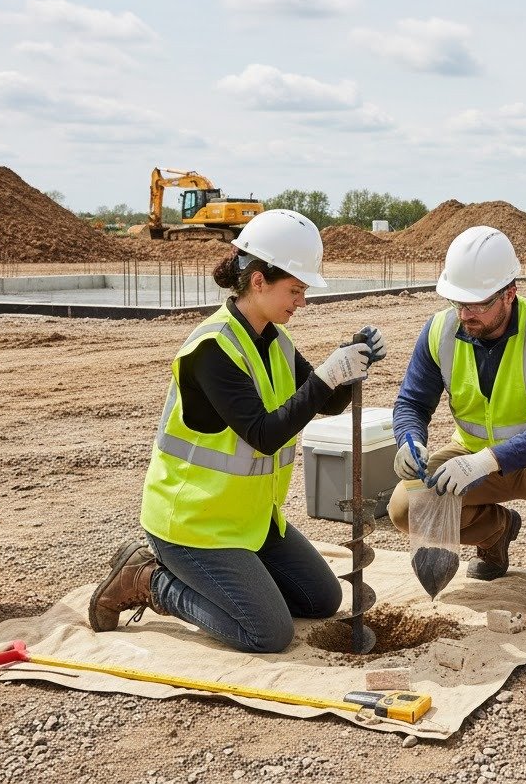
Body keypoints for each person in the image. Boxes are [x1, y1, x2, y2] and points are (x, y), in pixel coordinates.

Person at [88, 209, 386, 652]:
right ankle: (150, 580)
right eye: (295, 289)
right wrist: (327, 373)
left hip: (249, 521)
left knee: (322, 600)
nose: (301, 301)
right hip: (193, 526)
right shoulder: (212, 350)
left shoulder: (274, 340)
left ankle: (242, 583)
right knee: (268, 633)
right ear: (259, 280)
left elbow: (327, 402)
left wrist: (347, 362)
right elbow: (264, 435)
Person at [387, 225, 526, 617]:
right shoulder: (440, 330)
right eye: (457, 302)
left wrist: (486, 461)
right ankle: (497, 532)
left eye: (477, 305)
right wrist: (408, 439)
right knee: (403, 506)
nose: (465, 314)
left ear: (509, 294)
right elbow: (412, 401)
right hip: (469, 453)